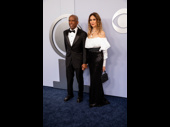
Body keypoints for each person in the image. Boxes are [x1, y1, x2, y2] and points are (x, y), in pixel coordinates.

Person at [85, 12, 111, 107]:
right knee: (94, 79)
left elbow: (105, 51)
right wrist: (86, 62)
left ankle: (94, 101)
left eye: (94, 19)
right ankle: (98, 99)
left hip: (98, 58)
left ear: (98, 21)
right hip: (91, 58)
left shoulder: (101, 33)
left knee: (95, 79)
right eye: (90, 20)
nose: (92, 21)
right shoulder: (89, 33)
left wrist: (104, 64)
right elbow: (87, 49)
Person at [63, 15, 87, 103]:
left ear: (77, 22)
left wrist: (84, 62)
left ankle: (80, 96)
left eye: (73, 20)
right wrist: (68, 56)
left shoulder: (83, 34)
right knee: (69, 79)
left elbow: (85, 50)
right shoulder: (65, 32)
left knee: (79, 79)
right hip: (69, 60)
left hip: (79, 61)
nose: (71, 22)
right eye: (69, 20)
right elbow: (67, 47)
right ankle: (70, 94)